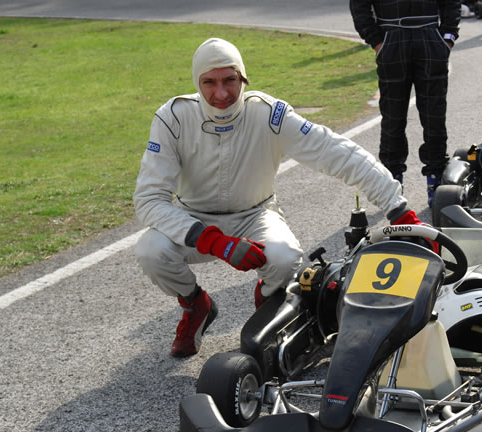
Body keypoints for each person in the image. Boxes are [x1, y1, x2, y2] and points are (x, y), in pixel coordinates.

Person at [134, 37, 431, 358]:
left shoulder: (269, 115)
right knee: (152, 252)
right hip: (193, 220)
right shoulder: (173, 118)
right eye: (210, 82)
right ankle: (196, 305)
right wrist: (213, 241)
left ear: (243, 78)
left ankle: (268, 318)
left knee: (286, 259)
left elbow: (338, 153)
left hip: (255, 214)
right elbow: (149, 199)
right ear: (197, 82)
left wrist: (398, 209)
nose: (221, 93)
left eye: (230, 80)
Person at [350, 0, 462, 207]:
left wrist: (447, 37)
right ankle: (392, 186)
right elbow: (359, 6)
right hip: (391, 38)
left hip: (430, 37)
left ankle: (436, 180)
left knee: (434, 116)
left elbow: (452, 3)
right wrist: (376, 41)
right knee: (393, 118)